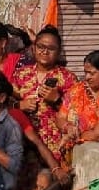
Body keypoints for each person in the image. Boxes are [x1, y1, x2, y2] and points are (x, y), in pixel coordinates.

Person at [13, 26, 79, 164]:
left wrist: (57, 101)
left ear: (59, 52)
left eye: (51, 48)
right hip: (25, 146)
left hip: (56, 148)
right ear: (34, 48)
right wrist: (19, 105)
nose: (44, 51)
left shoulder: (68, 78)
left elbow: (78, 114)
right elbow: (5, 104)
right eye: (41, 46)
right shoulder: (20, 74)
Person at [56, 50, 99, 158]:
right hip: (71, 153)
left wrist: (73, 136)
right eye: (85, 72)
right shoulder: (77, 89)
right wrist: (68, 127)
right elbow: (60, 117)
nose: (87, 77)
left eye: (92, 73)